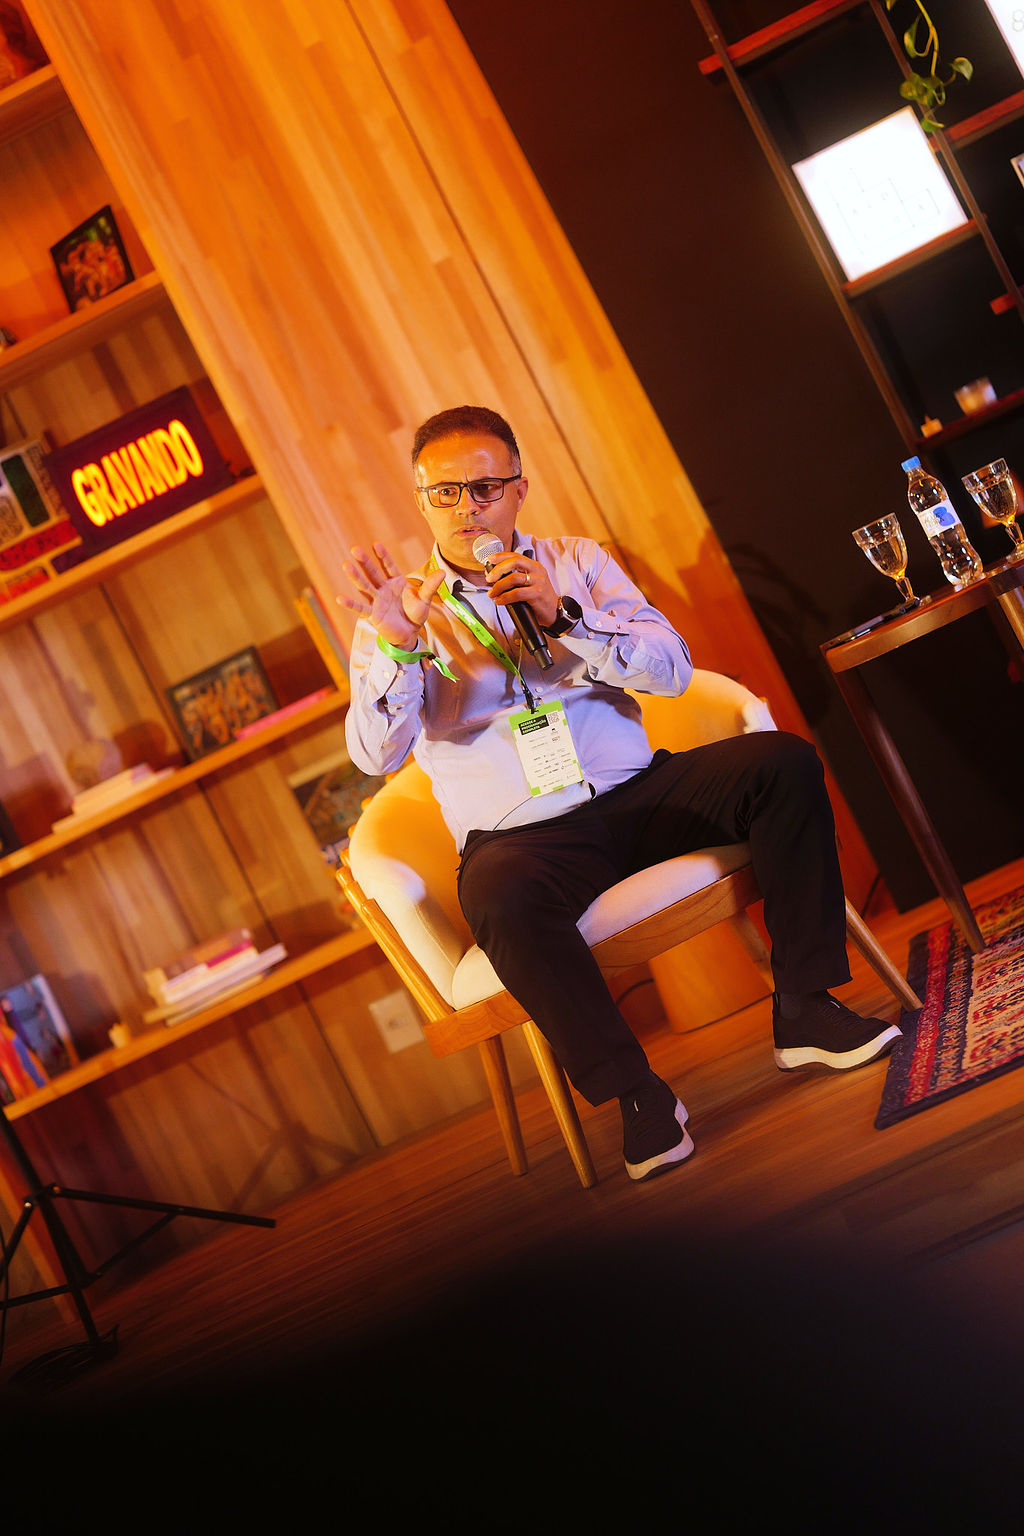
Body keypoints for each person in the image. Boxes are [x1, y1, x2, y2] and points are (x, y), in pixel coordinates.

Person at [340, 405, 900, 1182]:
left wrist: (564, 617)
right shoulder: (399, 613)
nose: (468, 507)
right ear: (421, 502)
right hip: (523, 840)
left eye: (486, 487)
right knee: (498, 898)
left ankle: (805, 1009)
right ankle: (636, 1096)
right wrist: (399, 648)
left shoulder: (577, 562)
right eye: (446, 492)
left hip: (639, 795)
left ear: (519, 490)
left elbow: (672, 669)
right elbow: (374, 755)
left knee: (782, 764)